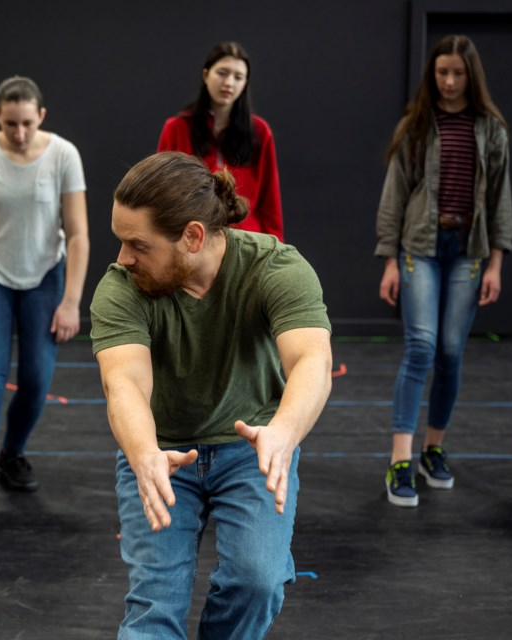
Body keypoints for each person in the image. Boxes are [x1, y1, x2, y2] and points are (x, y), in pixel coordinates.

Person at [91, 151, 332, 638]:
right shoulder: (122, 287)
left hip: (251, 449)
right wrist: (143, 454)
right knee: (154, 604)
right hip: (160, 454)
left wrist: (283, 434)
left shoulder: (276, 268)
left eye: (138, 244)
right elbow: (125, 384)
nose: (122, 258)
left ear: (193, 237)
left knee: (258, 582)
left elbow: (312, 360)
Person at [374, 35, 512, 508]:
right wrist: (390, 259)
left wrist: (496, 261)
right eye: (441, 73)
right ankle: (400, 459)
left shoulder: (491, 129)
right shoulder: (416, 126)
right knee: (421, 346)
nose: (450, 82)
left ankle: (433, 448)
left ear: (471, 76)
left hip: (468, 250)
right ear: (431, 76)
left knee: (451, 353)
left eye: (458, 73)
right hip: (420, 246)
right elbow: (395, 194)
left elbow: (500, 199)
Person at [0, 76, 88, 515]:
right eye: (11, 124)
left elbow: (79, 233)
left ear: (41, 116)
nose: (20, 133)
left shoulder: (64, 155)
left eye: (27, 122)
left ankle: (11, 454)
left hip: (46, 278)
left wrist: (71, 301)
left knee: (36, 381)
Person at [157, 41, 284, 241]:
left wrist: (275, 250)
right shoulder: (176, 128)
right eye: (222, 73)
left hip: (248, 242)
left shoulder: (259, 131)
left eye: (238, 77)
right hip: (193, 240)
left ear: (245, 83)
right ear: (206, 75)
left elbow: (270, 203)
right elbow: (162, 194)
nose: (229, 83)